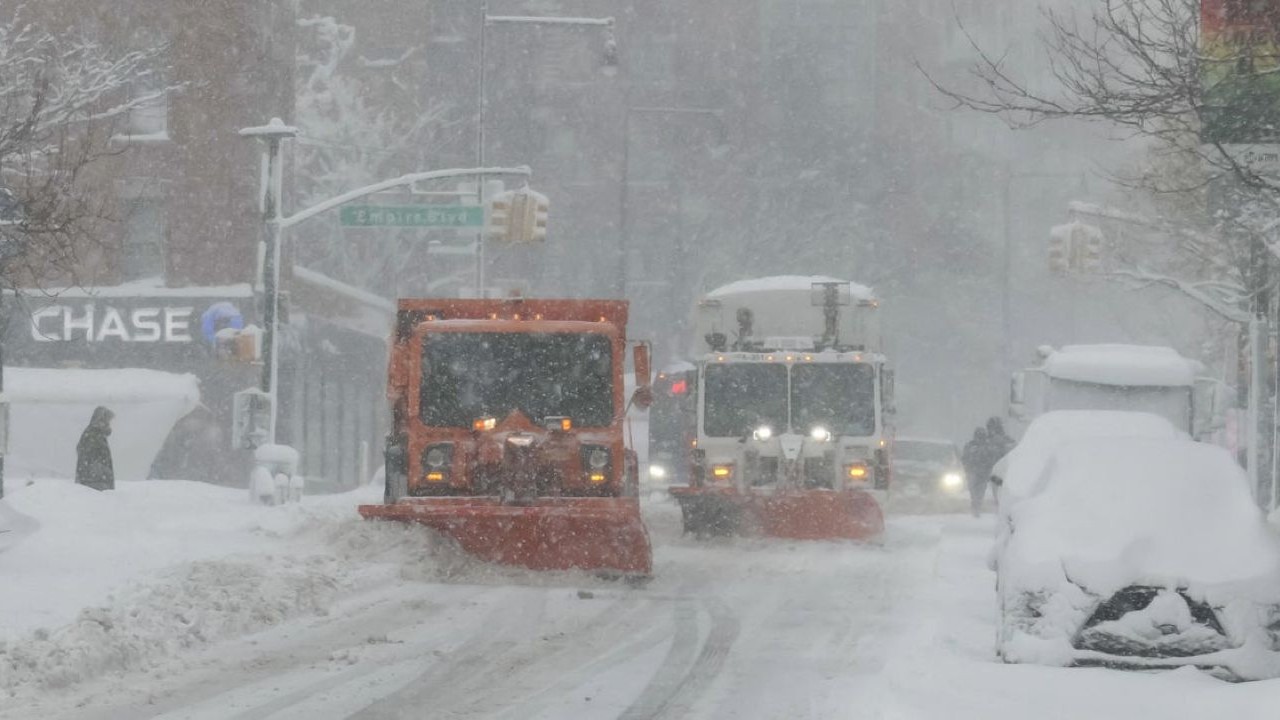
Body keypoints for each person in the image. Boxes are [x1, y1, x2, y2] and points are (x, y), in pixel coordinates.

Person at [76, 406, 115, 491]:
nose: (109, 424)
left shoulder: (95, 434)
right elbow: (89, 459)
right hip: (94, 483)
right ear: (101, 420)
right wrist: (102, 477)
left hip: (96, 482)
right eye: (107, 421)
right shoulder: (93, 435)